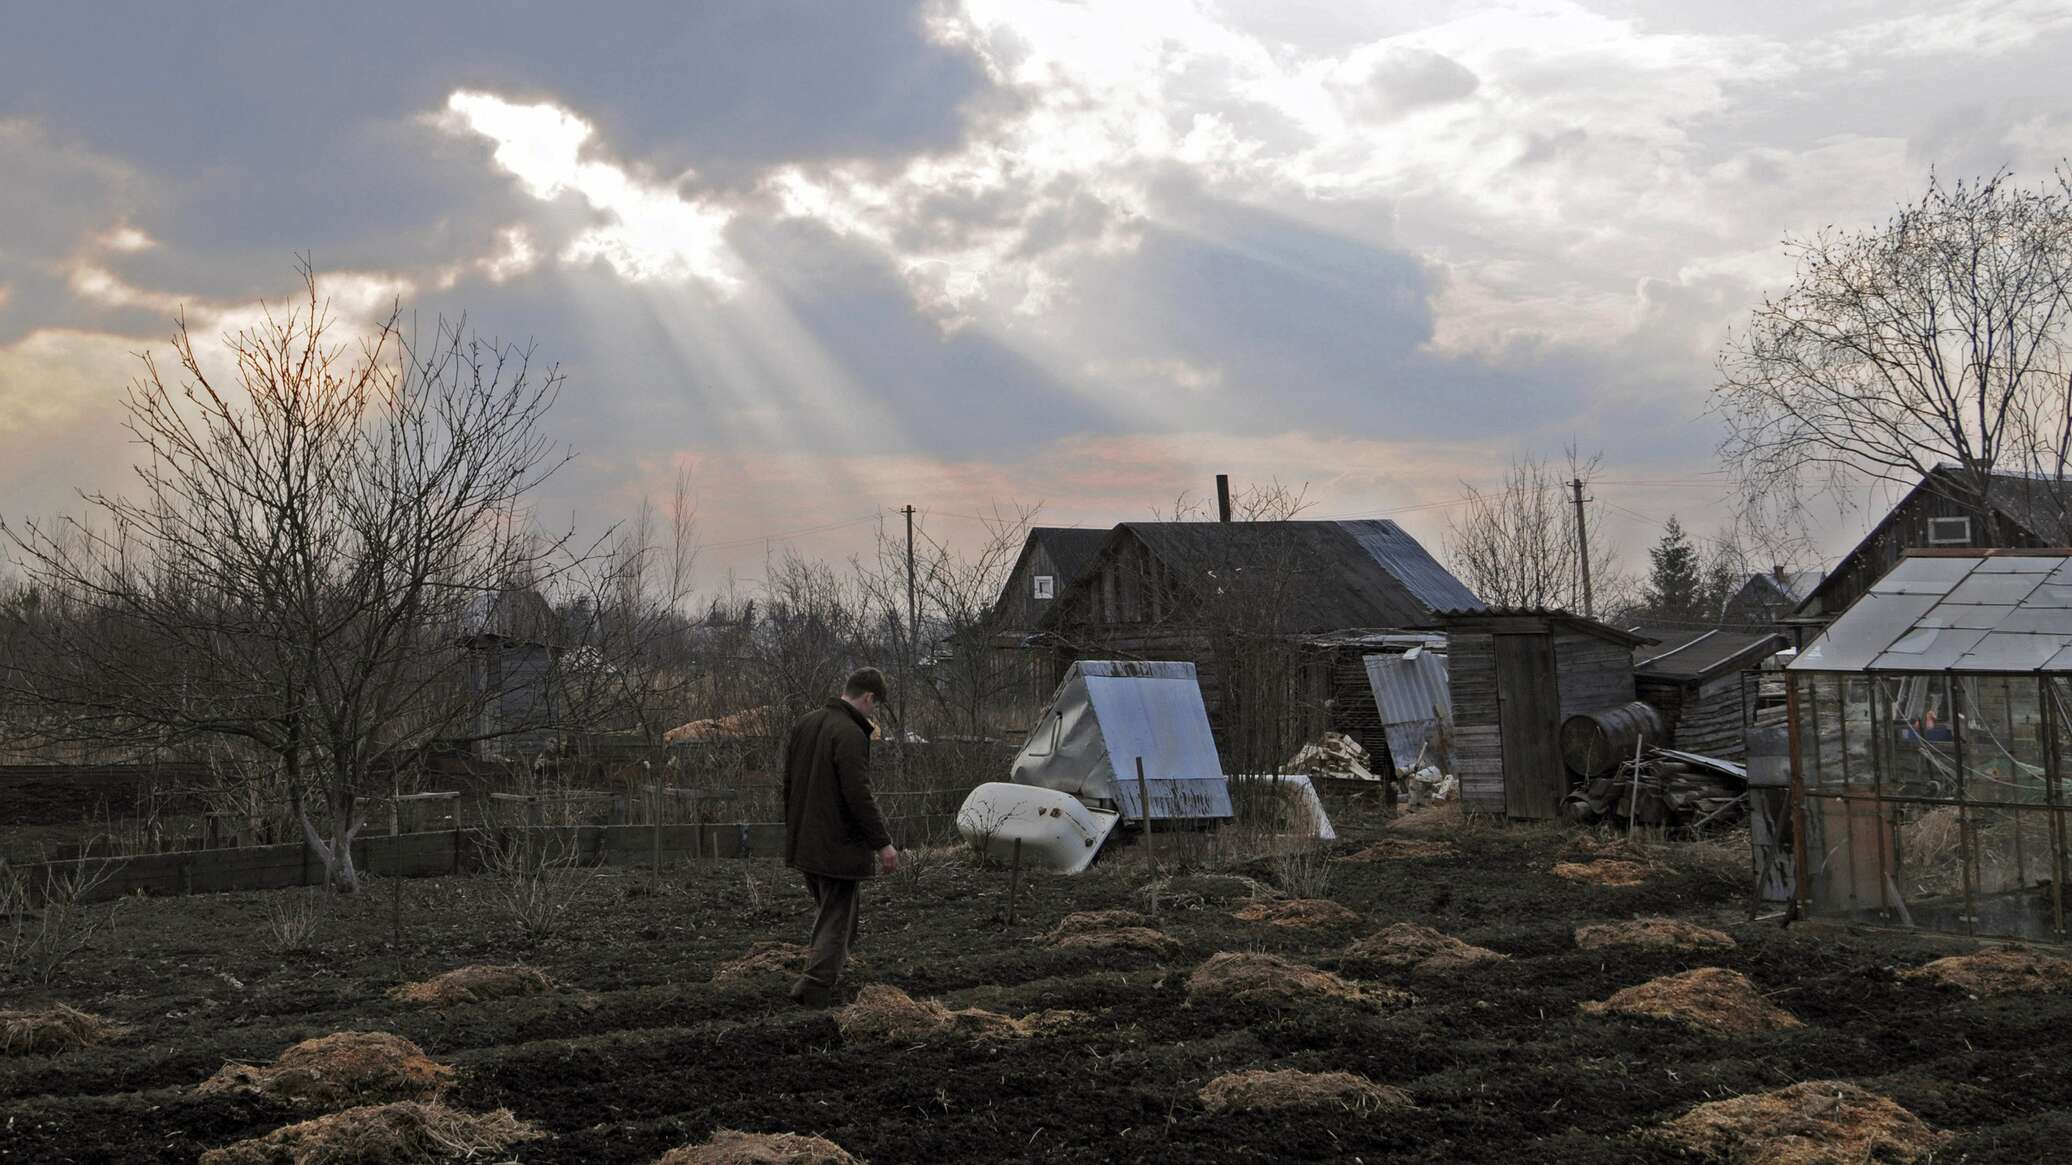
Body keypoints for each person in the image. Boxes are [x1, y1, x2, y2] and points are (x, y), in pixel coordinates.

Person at [781, 666, 899, 1006]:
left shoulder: (806, 723)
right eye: (875, 705)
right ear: (868, 697)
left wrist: (795, 829)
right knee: (837, 919)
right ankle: (815, 988)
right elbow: (858, 794)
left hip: (806, 840)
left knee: (837, 916)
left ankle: (821, 977)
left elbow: (788, 784)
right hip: (837, 845)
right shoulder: (849, 732)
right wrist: (883, 843)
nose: (873, 712)